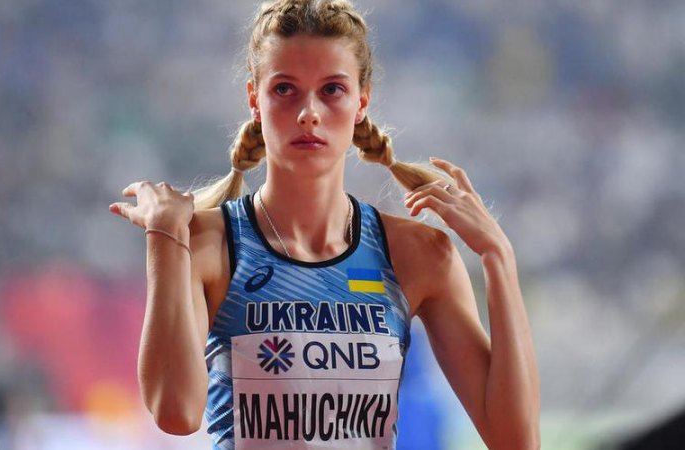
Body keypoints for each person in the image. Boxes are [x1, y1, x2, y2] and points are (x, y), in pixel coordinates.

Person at [108, 1, 540, 448]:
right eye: (285, 89)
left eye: (332, 89)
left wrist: (498, 256)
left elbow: (517, 441)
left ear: (361, 102)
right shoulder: (207, 243)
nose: (308, 113)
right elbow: (176, 413)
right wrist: (165, 235)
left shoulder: (418, 255)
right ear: (254, 99)